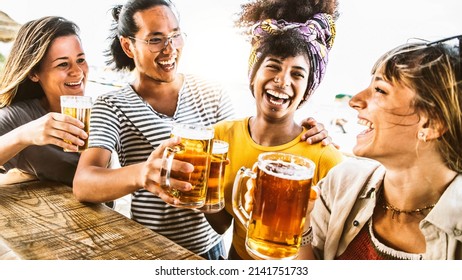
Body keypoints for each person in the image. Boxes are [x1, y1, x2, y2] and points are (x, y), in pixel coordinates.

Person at [72, 0, 332, 260]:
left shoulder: (212, 93)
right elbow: (84, 183)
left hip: (210, 253)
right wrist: (142, 174)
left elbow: (223, 213)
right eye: (155, 39)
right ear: (128, 45)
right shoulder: (111, 105)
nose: (170, 49)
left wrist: (302, 135)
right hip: (149, 248)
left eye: (175, 35)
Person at [203, 0, 344, 260]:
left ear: (307, 89)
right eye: (273, 66)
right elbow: (221, 224)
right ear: (253, 74)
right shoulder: (222, 135)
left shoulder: (325, 157)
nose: (282, 81)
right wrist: (203, 193)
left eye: (298, 74)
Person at [300, 35, 462, 260]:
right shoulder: (340, 183)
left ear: (432, 124)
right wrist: (299, 221)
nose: (354, 100)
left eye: (380, 89)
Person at [0, 16, 89, 186]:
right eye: (63, 64)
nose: (78, 72)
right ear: (34, 73)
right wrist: (24, 135)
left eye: (80, 60)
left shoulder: (102, 112)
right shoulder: (19, 117)